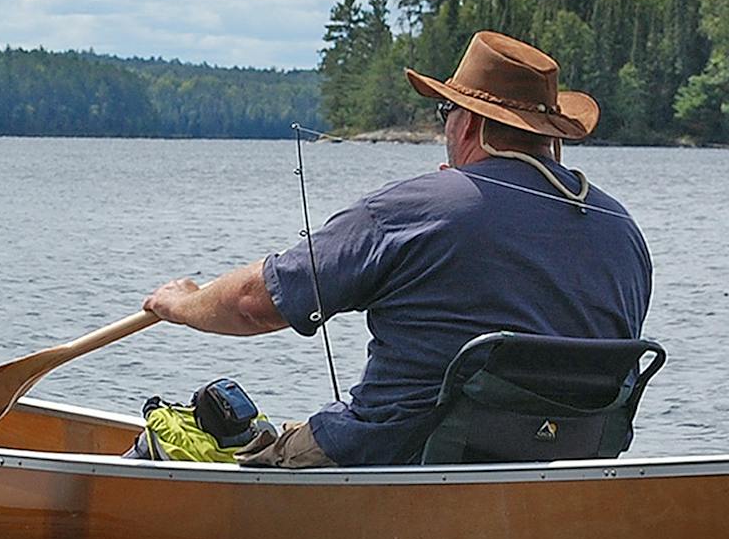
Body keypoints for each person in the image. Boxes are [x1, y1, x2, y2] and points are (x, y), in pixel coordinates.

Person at [142, 30, 652, 468]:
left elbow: (255, 304)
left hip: (399, 463)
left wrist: (184, 303)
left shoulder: (417, 208)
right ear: (551, 137)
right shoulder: (623, 230)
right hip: (560, 475)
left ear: (468, 123)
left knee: (193, 448)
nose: (445, 125)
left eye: (446, 111)